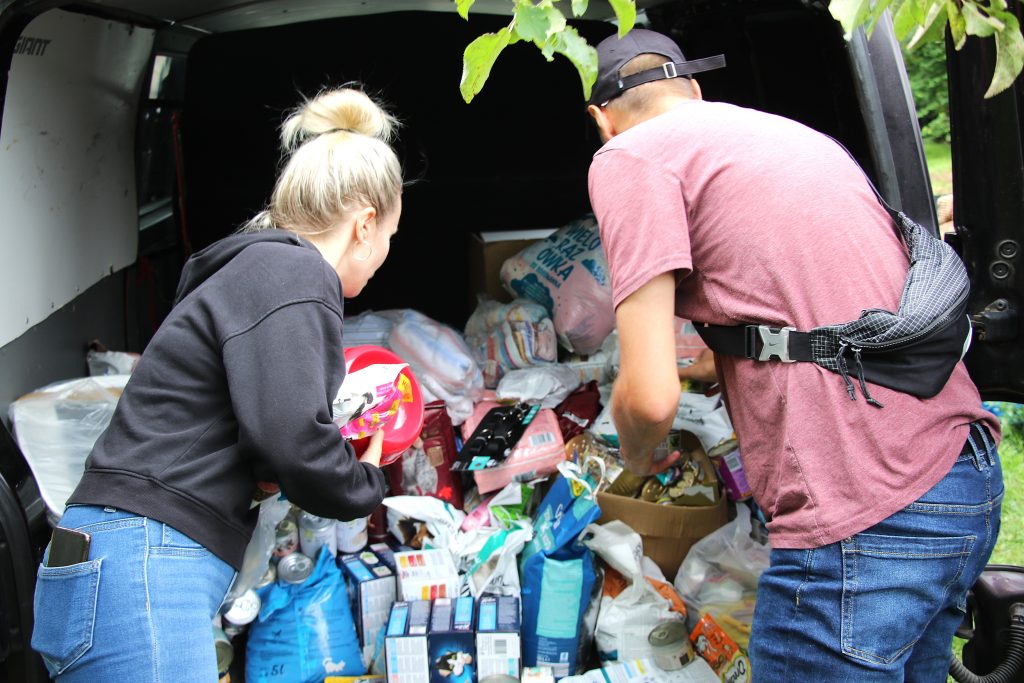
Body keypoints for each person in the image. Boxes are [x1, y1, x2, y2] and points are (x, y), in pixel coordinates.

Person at [585, 29, 1002, 682]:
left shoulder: (627, 157)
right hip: (962, 473)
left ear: (601, 119)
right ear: (694, 90)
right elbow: (817, 301)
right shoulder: (788, 135)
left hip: (864, 512)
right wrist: (724, 361)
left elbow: (648, 397)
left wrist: (639, 455)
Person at [31, 87, 402, 681]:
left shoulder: (250, 268)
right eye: (389, 236)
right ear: (364, 225)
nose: (385, 253)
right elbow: (291, 440)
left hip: (113, 562)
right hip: (143, 561)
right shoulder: (297, 273)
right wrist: (364, 480)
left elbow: (259, 434)